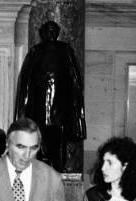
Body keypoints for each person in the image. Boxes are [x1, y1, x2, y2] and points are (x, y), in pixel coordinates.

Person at [15, 21, 86, 172]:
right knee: (39, 138)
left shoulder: (65, 50)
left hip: (59, 108)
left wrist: (74, 104)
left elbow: (75, 79)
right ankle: (40, 168)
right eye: (48, 30)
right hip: (39, 106)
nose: (51, 33)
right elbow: (26, 81)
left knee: (58, 140)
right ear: (43, 33)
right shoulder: (36, 51)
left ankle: (58, 168)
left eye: (54, 30)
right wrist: (24, 108)